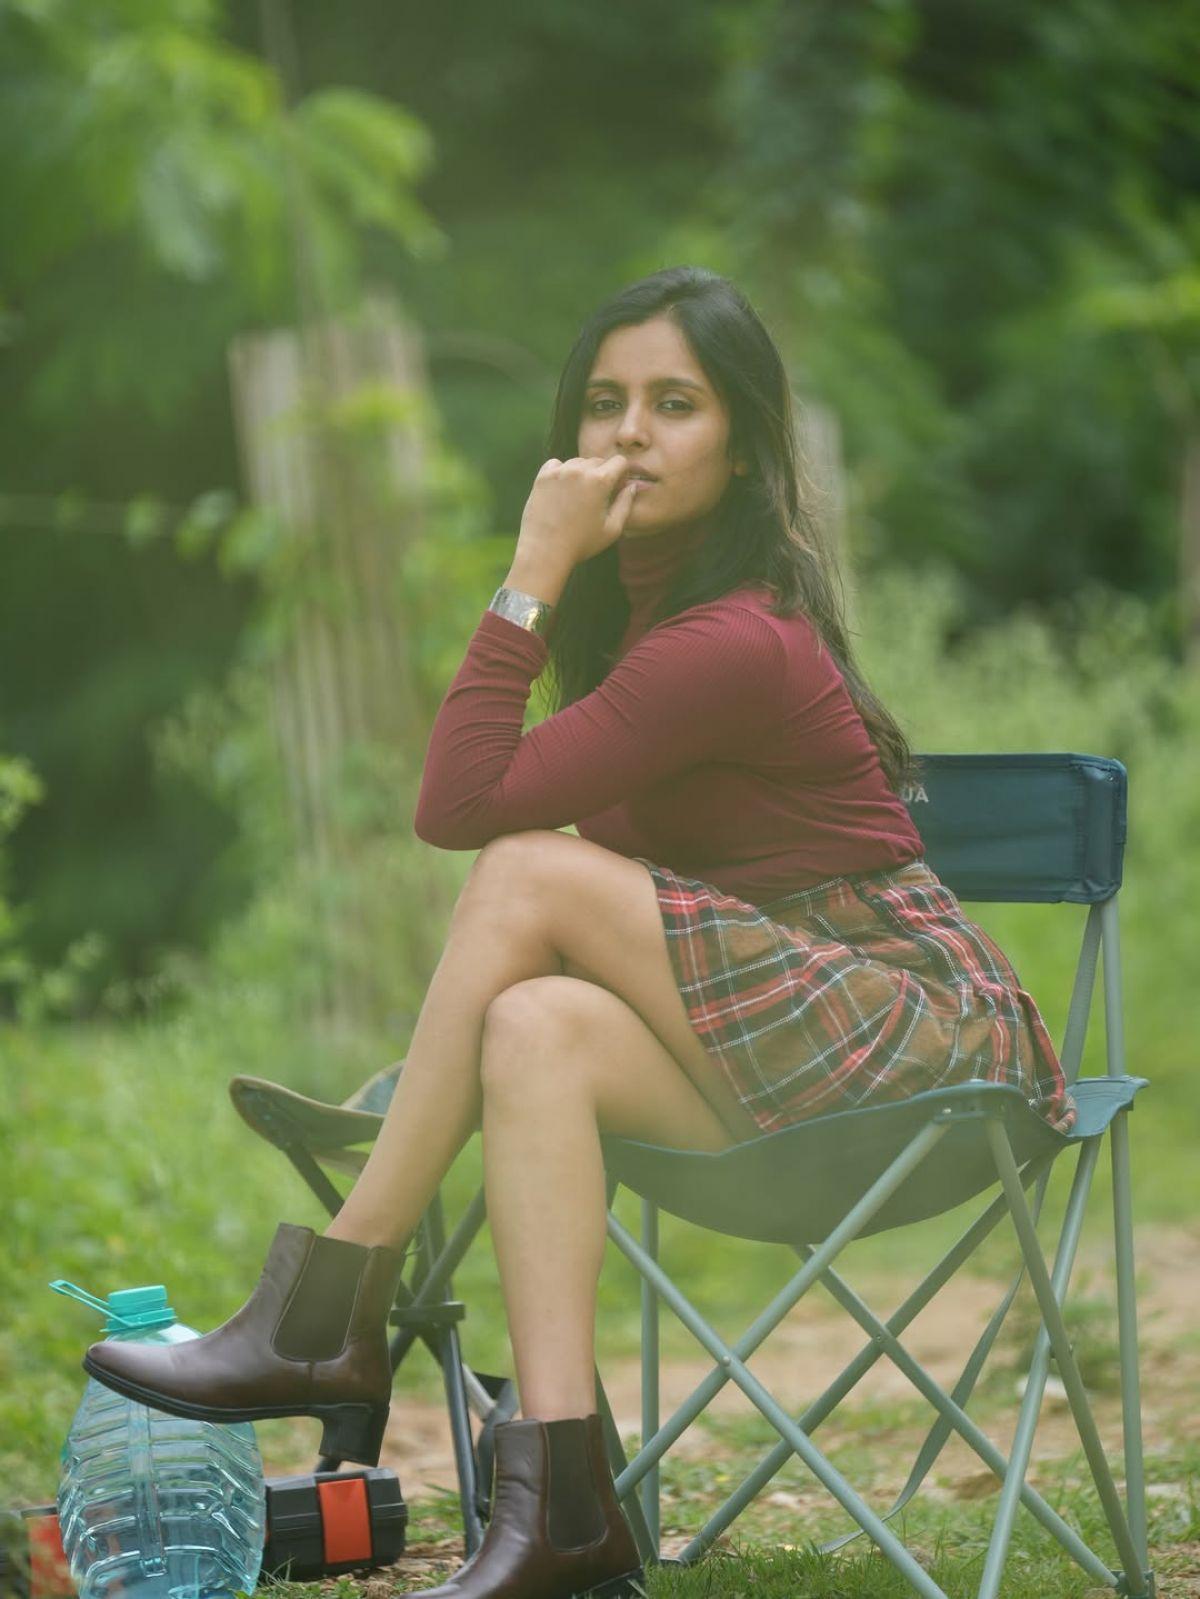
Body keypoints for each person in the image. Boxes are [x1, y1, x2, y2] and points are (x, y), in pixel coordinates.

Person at [84, 266, 1075, 1599]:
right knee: (532, 1025)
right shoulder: (650, 634)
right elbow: (515, 841)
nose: (630, 433)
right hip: (769, 1046)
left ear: (743, 448)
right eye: (605, 403)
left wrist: (532, 570)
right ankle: (560, 1509)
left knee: (521, 871)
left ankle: (327, 1311)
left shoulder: (730, 641)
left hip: (912, 1041)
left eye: (676, 405)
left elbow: (459, 812)